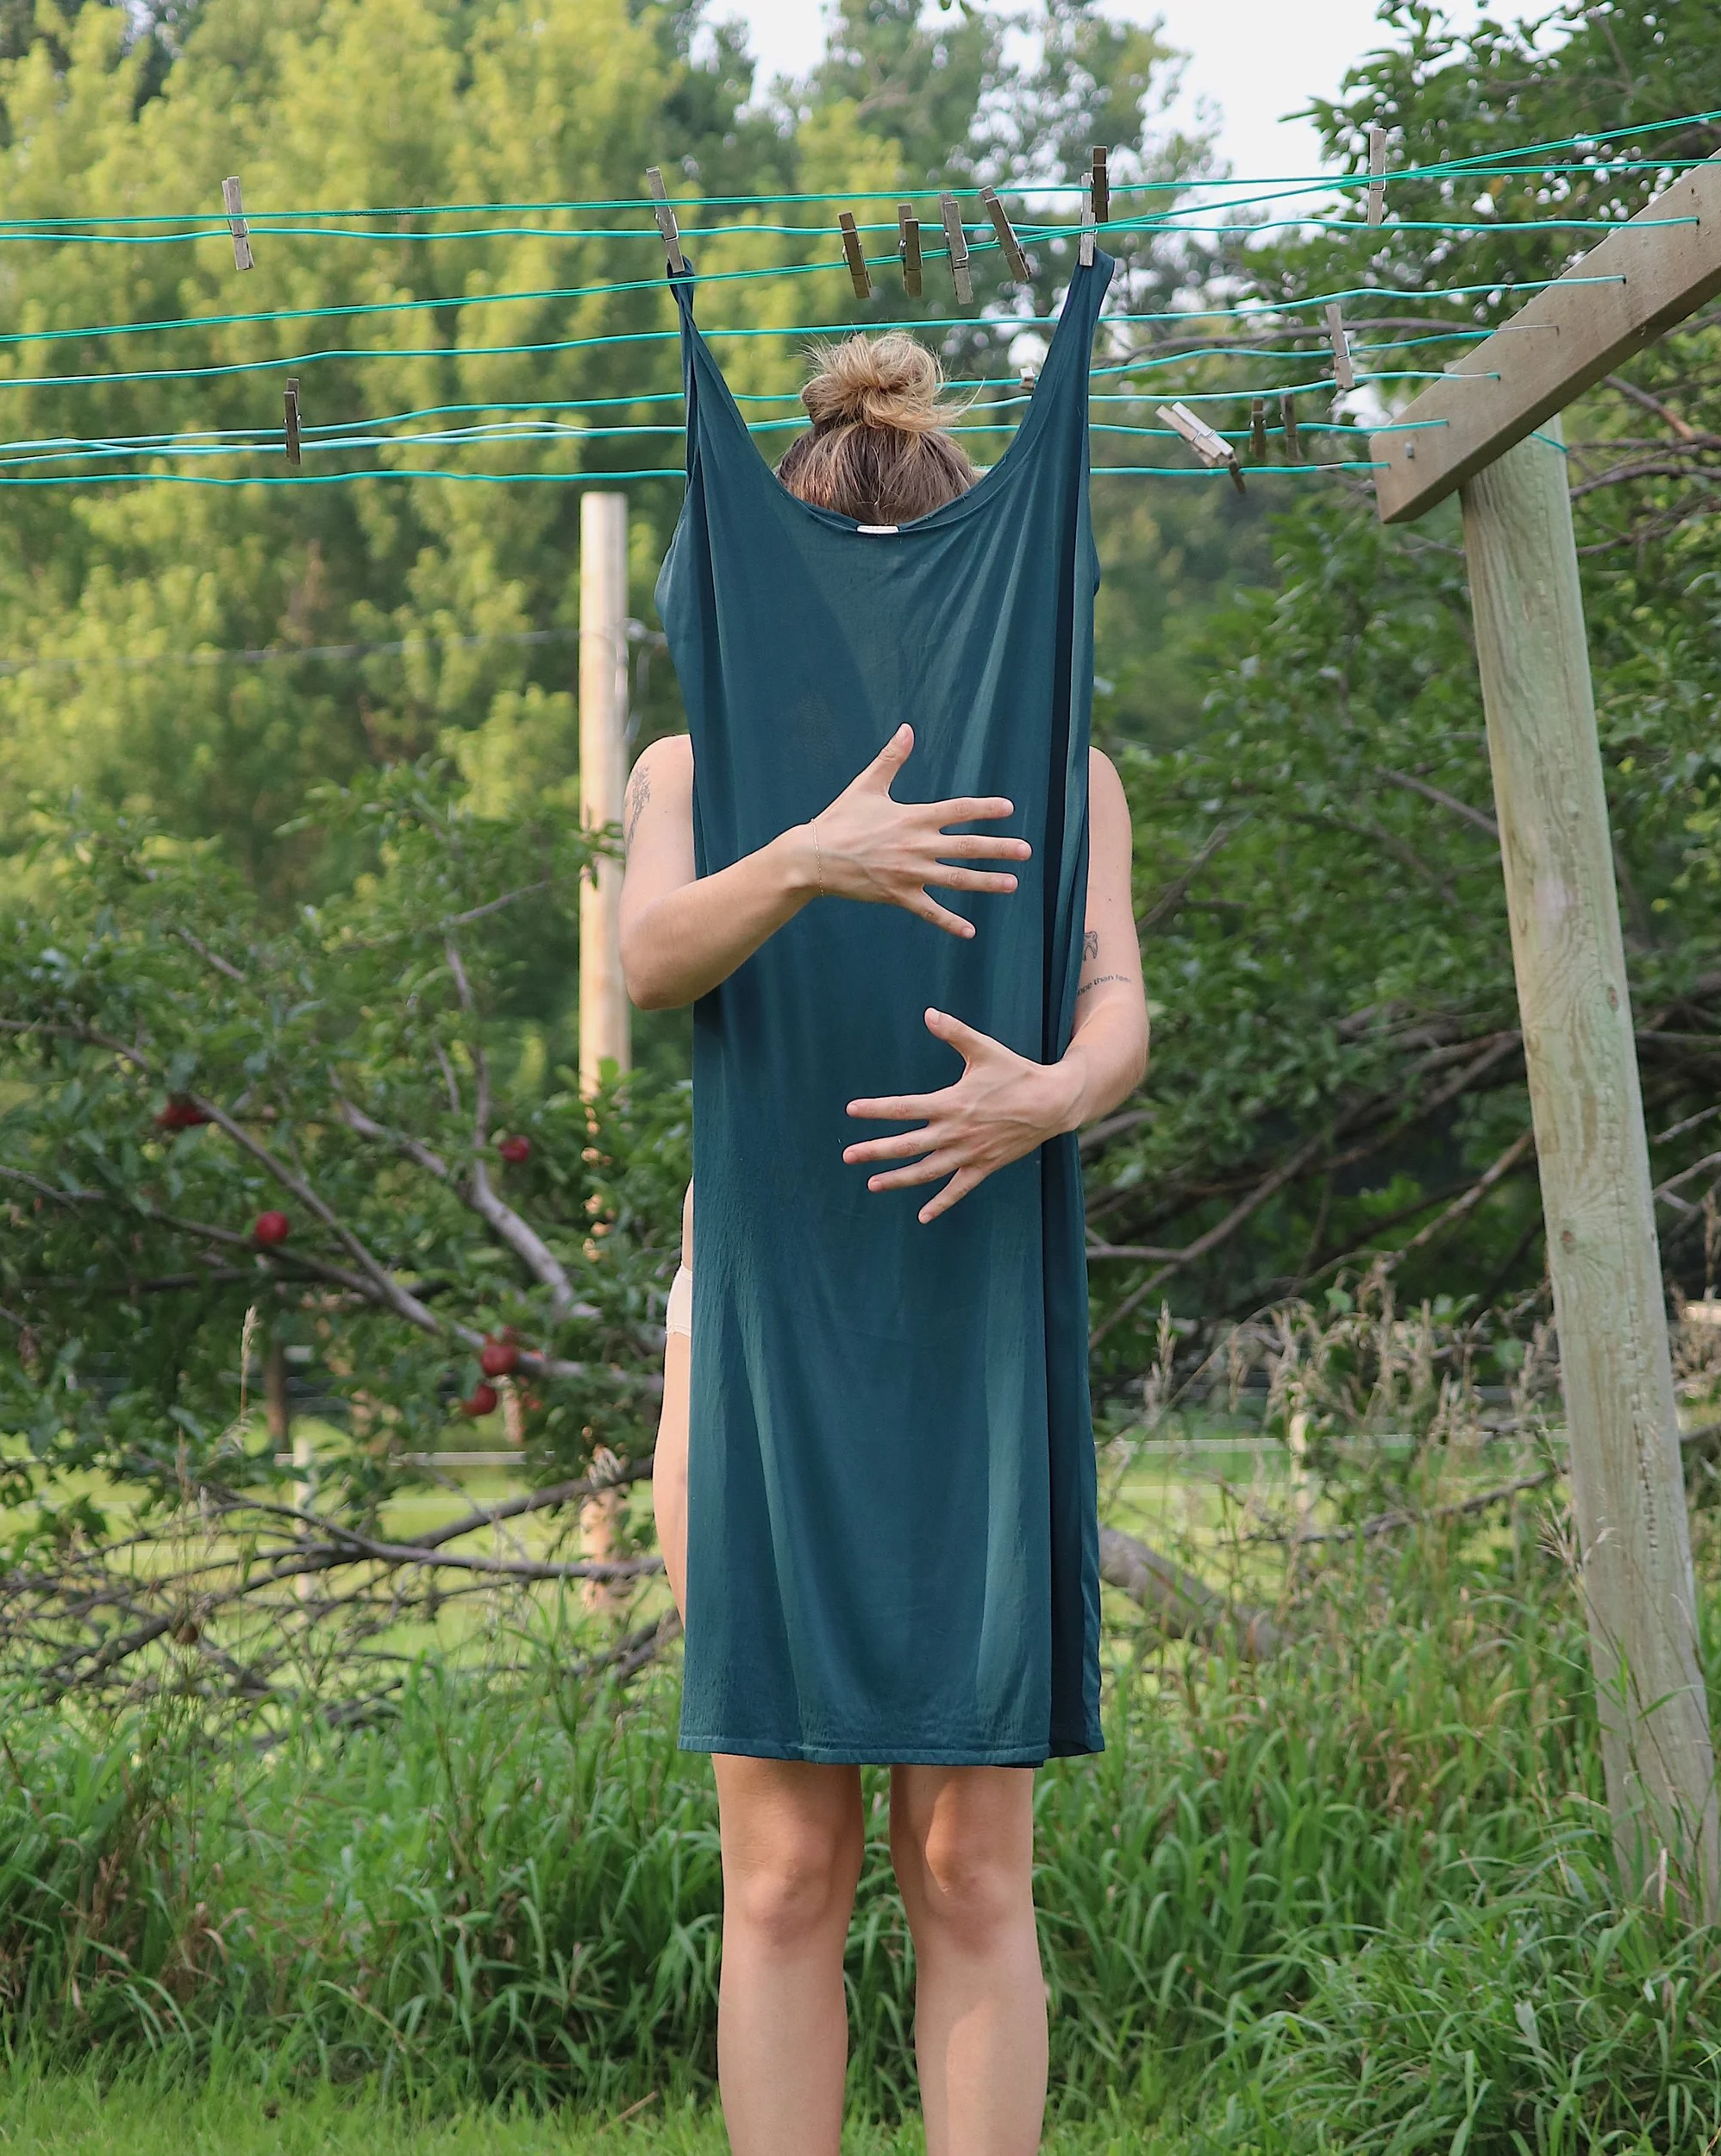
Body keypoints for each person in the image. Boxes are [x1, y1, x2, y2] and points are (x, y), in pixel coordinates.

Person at [620, 323, 1146, 2156]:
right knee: (779, 1869)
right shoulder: (696, 770)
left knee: (966, 1860)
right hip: (758, 1338)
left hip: (972, 1329)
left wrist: (1047, 1097)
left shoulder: (1066, 776)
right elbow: (641, 961)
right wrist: (803, 860)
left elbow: (1116, 1014)